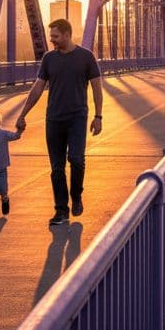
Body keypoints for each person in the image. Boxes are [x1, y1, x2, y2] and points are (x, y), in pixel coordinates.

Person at [14, 18, 103, 226]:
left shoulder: (86, 57)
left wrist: (98, 116)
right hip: (54, 119)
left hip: (77, 117)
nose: (51, 40)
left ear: (66, 34)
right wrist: (22, 114)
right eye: (51, 36)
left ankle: (77, 196)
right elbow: (37, 88)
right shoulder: (48, 59)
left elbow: (97, 88)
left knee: (77, 159)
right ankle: (61, 210)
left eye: (55, 36)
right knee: (56, 167)